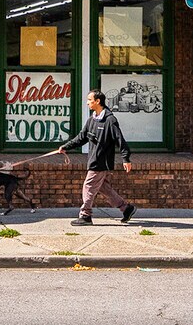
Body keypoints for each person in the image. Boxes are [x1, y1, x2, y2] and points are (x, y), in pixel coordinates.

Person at [56, 89, 136, 225]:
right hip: (94, 159)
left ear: (97, 101)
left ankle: (85, 215)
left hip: (101, 161)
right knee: (104, 188)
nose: (87, 103)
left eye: (89, 100)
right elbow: (81, 138)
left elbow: (120, 139)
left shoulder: (110, 120)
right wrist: (65, 147)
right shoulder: (91, 120)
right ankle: (126, 208)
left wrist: (126, 158)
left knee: (88, 186)